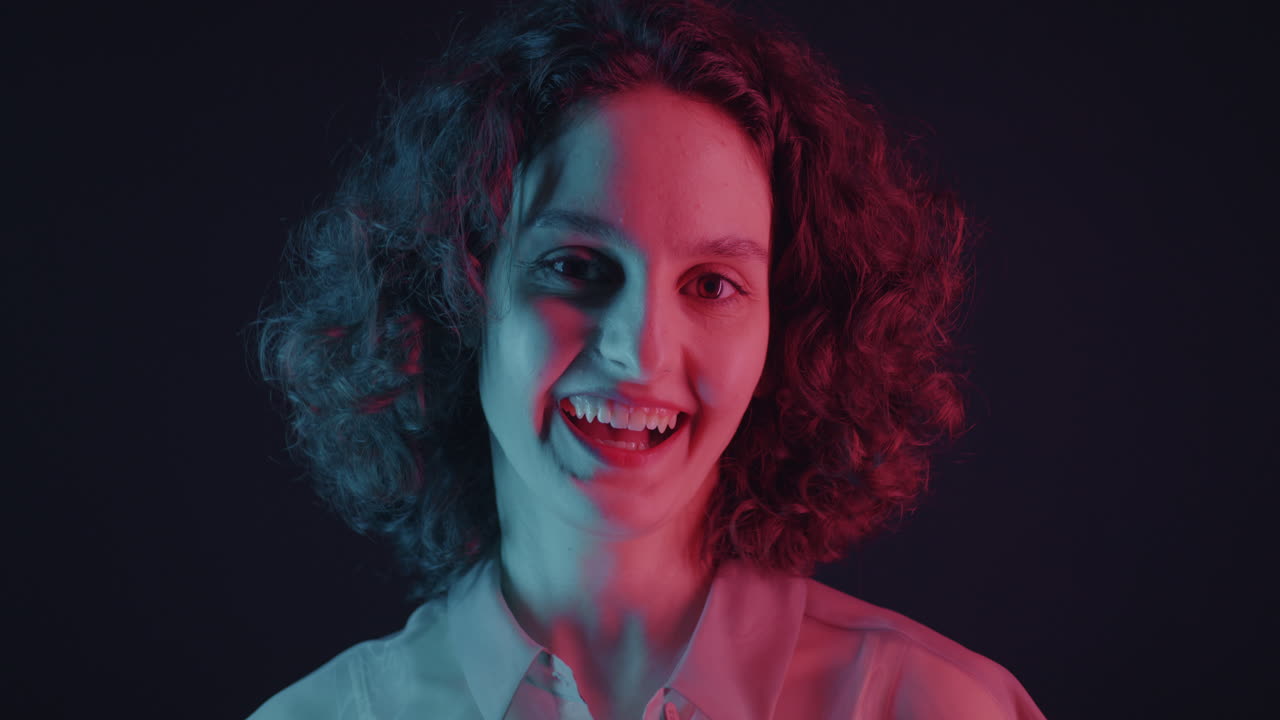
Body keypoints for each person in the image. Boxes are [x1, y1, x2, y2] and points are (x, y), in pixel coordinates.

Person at [247, 0, 1046, 717]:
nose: (640, 352)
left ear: (786, 326)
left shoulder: (941, 707)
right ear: (456, 293)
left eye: (712, 283)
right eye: (575, 267)